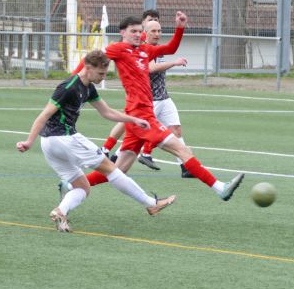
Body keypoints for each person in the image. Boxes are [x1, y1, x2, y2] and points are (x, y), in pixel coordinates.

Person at [68, 12, 244, 202]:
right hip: (141, 116)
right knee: (182, 150)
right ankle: (220, 188)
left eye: (139, 31)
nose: (137, 34)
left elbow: (171, 48)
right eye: (133, 31)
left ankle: (70, 185)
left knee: (118, 170)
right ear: (122, 33)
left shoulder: (145, 50)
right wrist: (71, 81)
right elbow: (89, 61)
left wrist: (180, 27)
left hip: (139, 116)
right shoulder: (118, 49)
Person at [16, 50, 176, 232]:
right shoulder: (68, 87)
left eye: (105, 73)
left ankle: (60, 212)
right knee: (111, 169)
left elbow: (106, 112)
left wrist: (132, 119)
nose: (103, 77)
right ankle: (151, 204)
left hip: (50, 144)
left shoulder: (89, 88)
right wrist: (29, 142)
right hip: (65, 139)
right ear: (87, 67)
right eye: (100, 73)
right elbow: (44, 115)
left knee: (82, 187)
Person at [100, 9, 161, 161]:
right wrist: (174, 63)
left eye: (156, 20)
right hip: (140, 98)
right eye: (150, 20)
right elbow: (150, 68)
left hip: (156, 96)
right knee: (135, 124)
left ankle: (119, 153)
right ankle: (111, 150)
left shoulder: (151, 44)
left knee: (135, 126)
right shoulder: (137, 44)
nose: (154, 24)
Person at [137, 19, 194, 178]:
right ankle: (115, 159)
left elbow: (172, 47)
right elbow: (151, 68)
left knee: (176, 130)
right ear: (145, 33)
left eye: (159, 31)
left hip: (164, 98)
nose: (157, 34)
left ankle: (185, 167)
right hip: (150, 100)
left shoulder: (160, 49)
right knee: (136, 137)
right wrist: (174, 63)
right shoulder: (143, 49)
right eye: (153, 31)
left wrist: (180, 27)